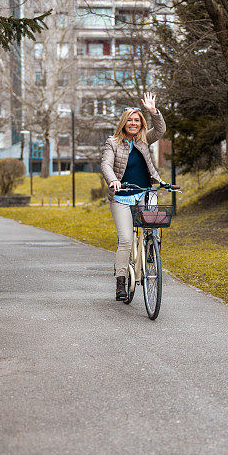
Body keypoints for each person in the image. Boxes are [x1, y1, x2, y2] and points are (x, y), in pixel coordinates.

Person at [101, 93, 167, 301]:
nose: (133, 123)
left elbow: (162, 130)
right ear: (123, 123)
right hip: (121, 196)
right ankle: (121, 281)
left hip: (144, 193)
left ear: (141, 124)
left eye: (137, 120)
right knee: (126, 240)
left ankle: (150, 249)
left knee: (154, 228)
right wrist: (113, 180)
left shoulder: (144, 140)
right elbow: (105, 165)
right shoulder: (112, 142)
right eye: (130, 120)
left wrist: (153, 111)